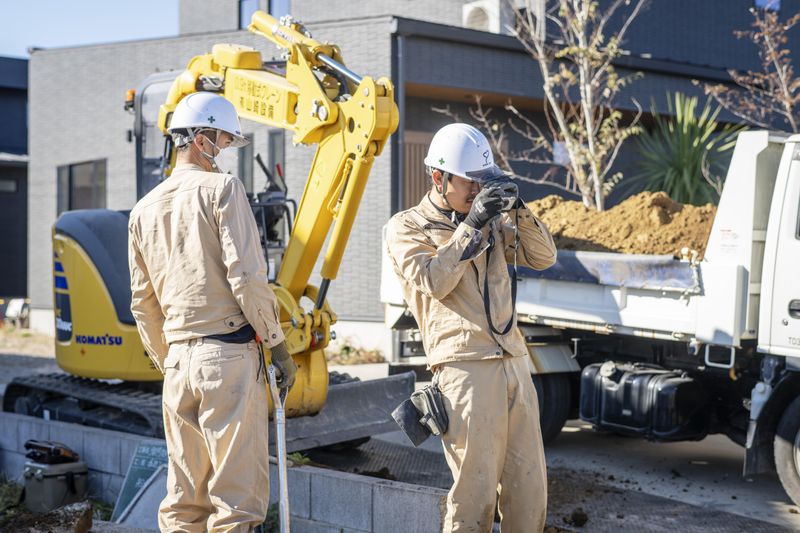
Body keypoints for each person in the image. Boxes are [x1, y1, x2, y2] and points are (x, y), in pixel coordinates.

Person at [128, 91, 297, 533]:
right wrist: (277, 346)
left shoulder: (143, 209)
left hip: (177, 364)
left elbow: (142, 303)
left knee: (185, 502)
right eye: (221, 140)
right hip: (226, 360)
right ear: (200, 139)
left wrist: (169, 357)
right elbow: (246, 277)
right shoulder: (222, 189)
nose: (223, 151)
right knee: (235, 503)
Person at [385, 123, 557, 532]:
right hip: (464, 367)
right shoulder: (407, 226)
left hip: (513, 360)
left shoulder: (494, 222)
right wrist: (471, 225)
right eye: (469, 182)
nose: (477, 192)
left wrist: (518, 208)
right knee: (474, 493)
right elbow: (432, 281)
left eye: (484, 182)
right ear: (438, 178)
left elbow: (544, 256)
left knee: (529, 489)